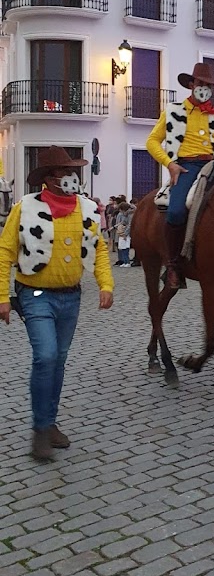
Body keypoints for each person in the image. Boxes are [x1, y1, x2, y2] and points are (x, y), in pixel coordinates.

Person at [0, 146, 113, 461]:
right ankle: (39, 430)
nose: (70, 177)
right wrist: (1, 297)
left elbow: (99, 249)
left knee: (58, 360)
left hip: (70, 297)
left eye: (72, 171)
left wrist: (106, 284)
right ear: (48, 180)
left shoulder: (87, 209)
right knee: (46, 356)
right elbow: (5, 251)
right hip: (34, 295)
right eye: (63, 172)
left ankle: (49, 424)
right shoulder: (25, 208)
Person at [146, 63, 214, 288]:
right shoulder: (173, 111)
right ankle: (173, 266)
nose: (204, 88)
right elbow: (151, 142)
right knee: (176, 211)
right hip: (186, 167)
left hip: (213, 167)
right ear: (191, 85)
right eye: (200, 84)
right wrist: (170, 165)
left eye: (208, 85)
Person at [115, 201, 133, 267]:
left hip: (127, 233)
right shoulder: (126, 214)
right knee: (122, 247)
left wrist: (125, 234)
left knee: (126, 248)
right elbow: (122, 222)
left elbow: (130, 225)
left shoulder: (130, 214)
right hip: (124, 232)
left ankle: (127, 262)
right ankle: (124, 262)